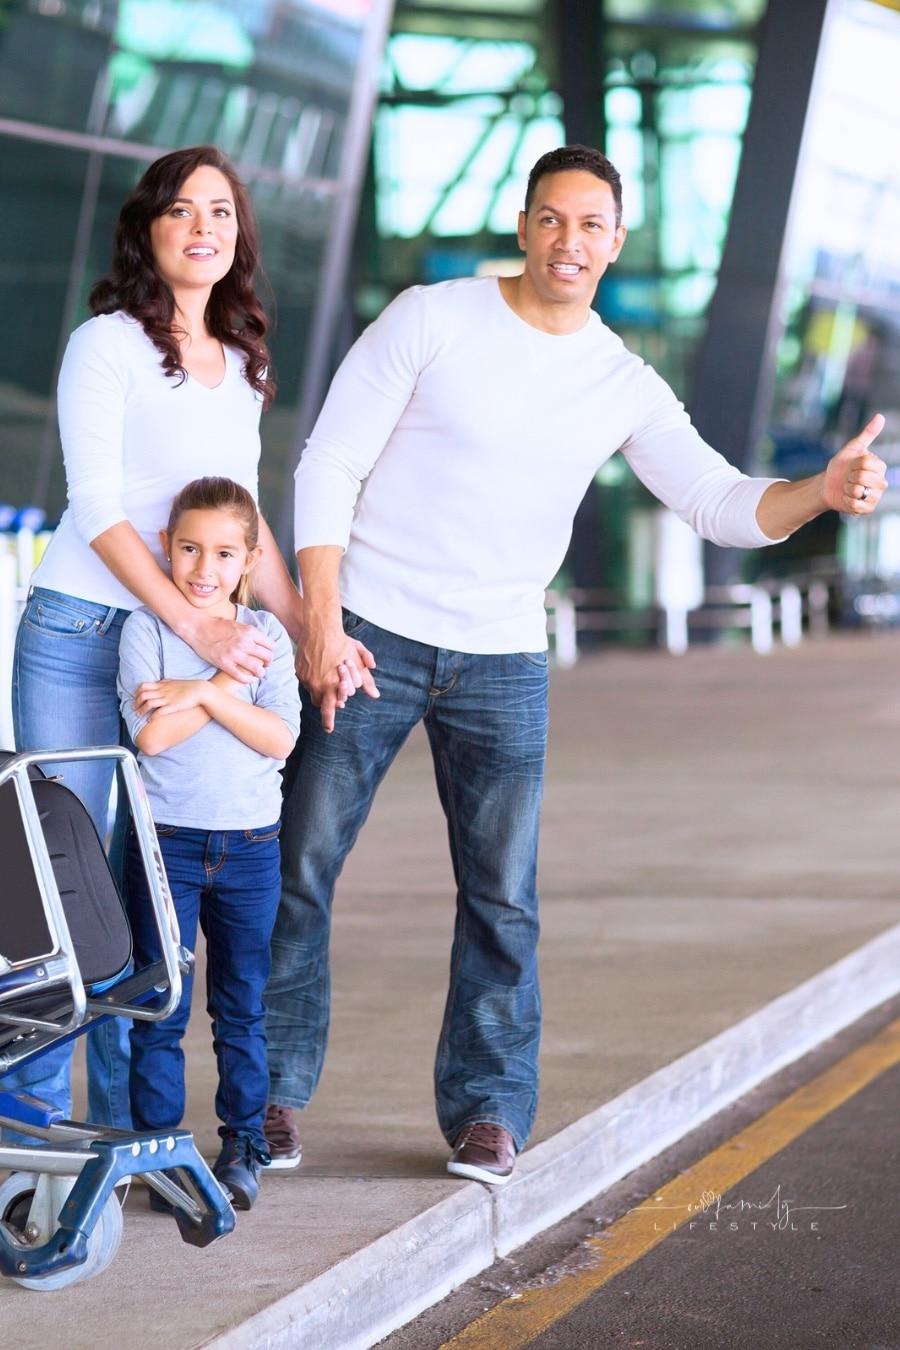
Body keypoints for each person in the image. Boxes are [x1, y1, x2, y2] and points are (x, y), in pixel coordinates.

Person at [262, 144, 887, 1186]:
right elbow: (328, 461)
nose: (571, 241)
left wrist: (820, 490)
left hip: (503, 654)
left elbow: (720, 503)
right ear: (523, 225)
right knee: (299, 867)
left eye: (591, 225)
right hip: (373, 631)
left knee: (503, 896)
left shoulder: (619, 380)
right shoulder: (431, 317)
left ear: (616, 241)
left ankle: (488, 1111)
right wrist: (320, 624)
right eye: (553, 220)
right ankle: (266, 1098)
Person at [5, 144, 309, 1138]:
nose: (204, 226)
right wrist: (196, 624)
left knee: (147, 889)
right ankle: (36, 1140)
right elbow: (96, 505)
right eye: (182, 209)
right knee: (61, 886)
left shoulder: (243, 373)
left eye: (222, 211)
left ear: (239, 238)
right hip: (82, 634)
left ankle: (130, 1127)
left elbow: (245, 527)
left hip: (184, 651)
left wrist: (311, 634)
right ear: (146, 228)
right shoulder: (108, 344)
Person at [118, 477, 300, 1210]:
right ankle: (162, 1151)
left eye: (224, 553)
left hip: (252, 845)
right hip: (165, 844)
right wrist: (229, 680)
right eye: (189, 548)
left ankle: (244, 1145)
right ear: (165, 546)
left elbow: (280, 739)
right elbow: (153, 738)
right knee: (161, 1003)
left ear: (250, 560)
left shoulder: (274, 636)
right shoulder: (146, 630)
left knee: (242, 1004)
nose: (203, 568)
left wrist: (199, 691)